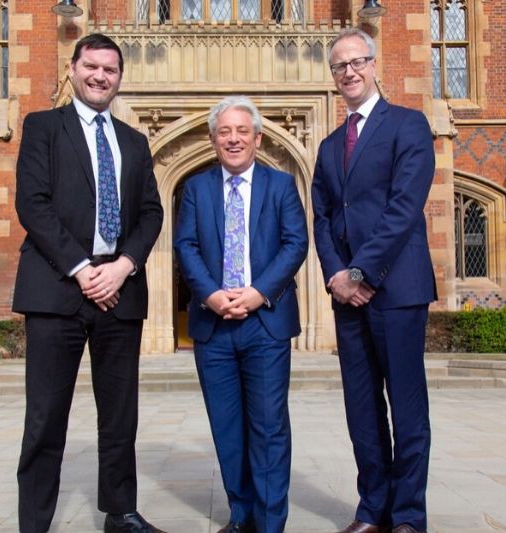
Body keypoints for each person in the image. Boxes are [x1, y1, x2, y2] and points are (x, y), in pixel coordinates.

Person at [12, 33, 165, 533]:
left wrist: (123, 266)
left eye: (111, 70)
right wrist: (82, 269)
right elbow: (32, 204)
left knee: (120, 416)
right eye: (92, 67)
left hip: (119, 292)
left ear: (120, 77)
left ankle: (120, 511)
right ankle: (35, 523)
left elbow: (150, 213)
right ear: (73, 68)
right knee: (45, 418)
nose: (101, 76)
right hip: (58, 289)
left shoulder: (134, 141)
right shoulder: (42, 127)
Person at [311, 28, 437, 533]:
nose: (349, 72)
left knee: (405, 407)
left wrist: (362, 271)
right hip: (348, 297)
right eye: (340, 66)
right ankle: (372, 510)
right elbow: (321, 217)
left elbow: (404, 208)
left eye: (357, 62)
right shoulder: (327, 145)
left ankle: (407, 517)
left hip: (398, 288)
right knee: (361, 409)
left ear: (374, 63)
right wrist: (337, 276)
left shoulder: (408, 125)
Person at [173, 96, 309, 533]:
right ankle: (241, 514)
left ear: (257, 137)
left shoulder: (281, 185)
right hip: (213, 327)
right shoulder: (195, 188)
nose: (233, 139)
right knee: (227, 428)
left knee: (269, 428)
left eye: (241, 131)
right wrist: (212, 295)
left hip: (265, 325)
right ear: (213, 139)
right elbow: (186, 246)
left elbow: (295, 244)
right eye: (224, 132)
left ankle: (270, 523)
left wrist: (258, 294)